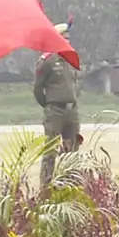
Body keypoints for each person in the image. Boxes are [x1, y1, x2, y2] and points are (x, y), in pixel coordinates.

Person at [33, 30, 82, 165]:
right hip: (55, 111)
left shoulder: (71, 59)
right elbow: (37, 88)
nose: (67, 41)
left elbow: (75, 83)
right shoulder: (48, 61)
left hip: (72, 111)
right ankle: (47, 184)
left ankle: (69, 182)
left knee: (72, 149)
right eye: (64, 38)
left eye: (68, 38)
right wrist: (49, 105)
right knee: (51, 150)